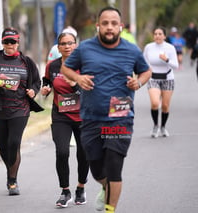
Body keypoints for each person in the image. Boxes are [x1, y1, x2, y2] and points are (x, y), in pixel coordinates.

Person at [61, 7, 151, 213]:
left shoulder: (131, 50)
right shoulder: (84, 49)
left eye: (113, 23)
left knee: (113, 167)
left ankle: (111, 209)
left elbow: (146, 71)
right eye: (105, 23)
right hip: (91, 117)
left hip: (120, 115)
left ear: (120, 26)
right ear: (98, 26)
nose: (109, 27)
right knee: (96, 169)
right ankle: (105, 186)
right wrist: (78, 78)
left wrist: (139, 82)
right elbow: (66, 67)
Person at [0, 27, 42, 196]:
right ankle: (12, 172)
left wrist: (33, 91)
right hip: (0, 109)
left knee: (13, 143)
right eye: (7, 42)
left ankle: (12, 180)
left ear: (18, 43)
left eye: (13, 41)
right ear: (2, 43)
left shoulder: (26, 62)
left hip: (20, 109)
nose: (10, 44)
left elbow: (37, 82)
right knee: (3, 146)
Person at [40, 32, 89, 208]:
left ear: (76, 45)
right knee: (62, 152)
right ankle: (65, 191)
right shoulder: (52, 66)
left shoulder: (85, 65)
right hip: (61, 115)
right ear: (58, 47)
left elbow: (91, 90)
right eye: (63, 44)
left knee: (84, 153)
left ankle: (81, 188)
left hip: (83, 115)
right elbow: (46, 82)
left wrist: (75, 84)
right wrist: (45, 90)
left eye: (70, 43)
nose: (67, 46)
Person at [143, 27, 179, 138]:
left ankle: (163, 127)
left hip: (167, 78)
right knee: (155, 103)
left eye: (160, 34)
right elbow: (143, 61)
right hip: (153, 78)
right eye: (155, 34)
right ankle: (155, 126)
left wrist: (166, 59)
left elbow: (176, 66)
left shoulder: (170, 48)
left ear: (164, 36)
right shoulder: (149, 47)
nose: (157, 36)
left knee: (165, 106)